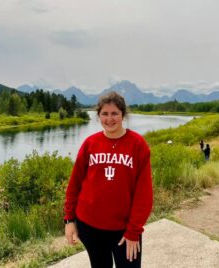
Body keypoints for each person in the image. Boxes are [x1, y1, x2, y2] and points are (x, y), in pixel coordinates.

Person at [64, 91, 153, 268]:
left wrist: (134, 231)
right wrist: (69, 220)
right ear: (98, 116)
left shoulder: (137, 144)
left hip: (124, 230)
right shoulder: (90, 143)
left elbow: (144, 194)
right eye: (104, 113)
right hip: (89, 226)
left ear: (123, 115)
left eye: (114, 113)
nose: (109, 118)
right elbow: (74, 184)